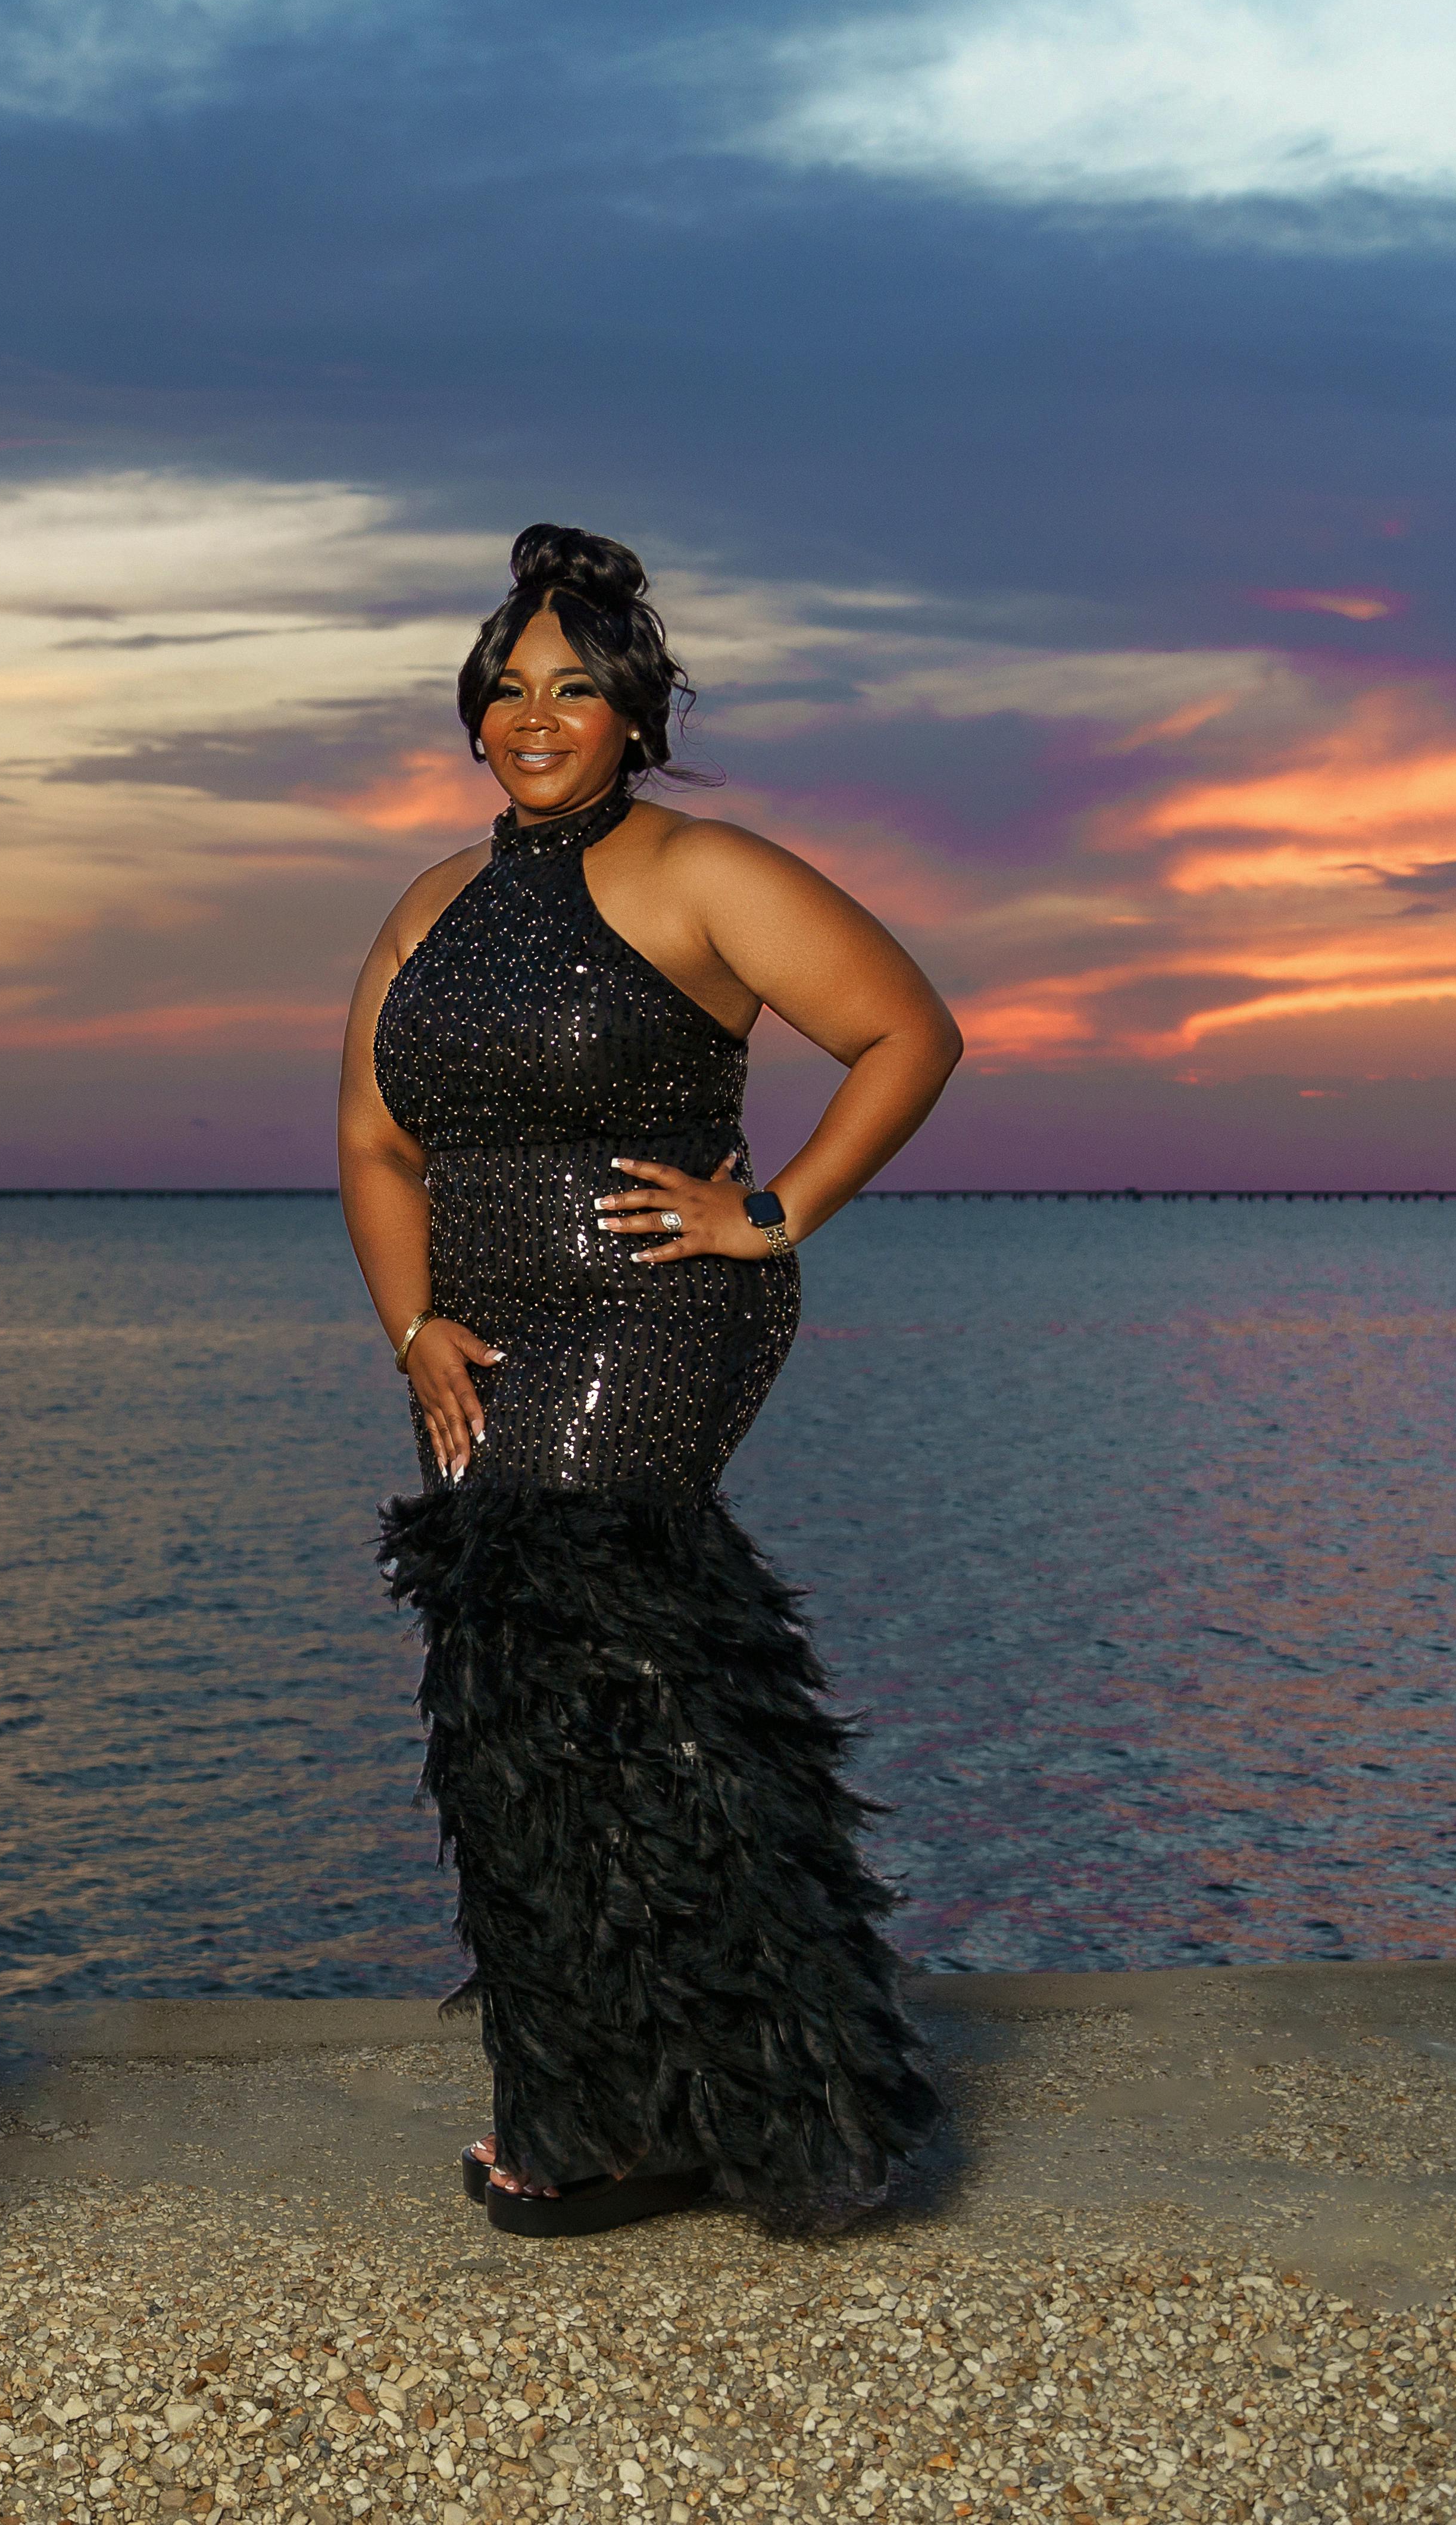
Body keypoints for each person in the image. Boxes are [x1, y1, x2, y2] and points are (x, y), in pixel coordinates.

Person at [336, 525, 960, 2237]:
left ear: (633, 715)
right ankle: (608, 2095)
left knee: (619, 1669)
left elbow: (909, 1032)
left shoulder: (704, 871)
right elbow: (371, 1143)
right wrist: (413, 1325)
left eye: (575, 689)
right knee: (515, 1719)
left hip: (659, 1301)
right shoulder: (426, 906)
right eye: (509, 690)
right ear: (477, 716)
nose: (536, 716)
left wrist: (769, 1210)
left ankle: (789, 2097)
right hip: (478, 1334)